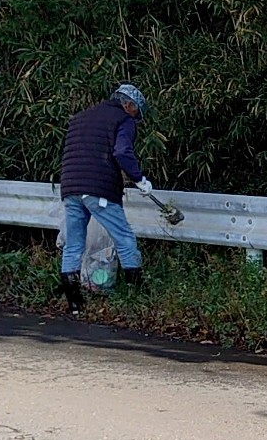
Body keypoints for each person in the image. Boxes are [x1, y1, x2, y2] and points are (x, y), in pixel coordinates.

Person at [57, 81, 182, 311]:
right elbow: (122, 151)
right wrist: (139, 179)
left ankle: (75, 304)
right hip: (99, 189)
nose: (135, 118)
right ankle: (136, 298)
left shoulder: (81, 117)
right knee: (125, 239)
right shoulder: (123, 119)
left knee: (73, 246)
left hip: (70, 186)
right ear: (129, 105)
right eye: (136, 113)